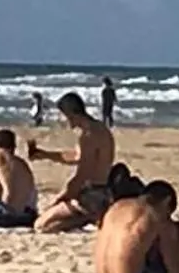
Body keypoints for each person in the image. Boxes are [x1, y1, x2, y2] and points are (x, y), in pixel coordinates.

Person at [29, 92, 118, 233]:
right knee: (50, 215)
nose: (65, 121)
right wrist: (45, 154)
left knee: (41, 225)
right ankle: (89, 217)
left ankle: (88, 218)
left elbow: (82, 175)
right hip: (104, 192)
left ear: (71, 113)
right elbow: (78, 157)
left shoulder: (88, 135)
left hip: (90, 196)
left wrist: (61, 197)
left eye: (65, 116)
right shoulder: (100, 129)